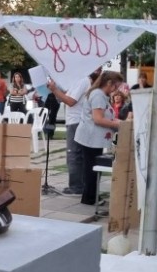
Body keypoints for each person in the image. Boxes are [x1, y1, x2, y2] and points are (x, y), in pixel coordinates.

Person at [74, 71, 124, 207]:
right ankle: (90, 197)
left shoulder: (99, 94)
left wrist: (115, 121)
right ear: (109, 83)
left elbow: (104, 115)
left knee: (91, 167)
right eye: (116, 86)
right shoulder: (98, 95)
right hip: (91, 138)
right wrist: (118, 124)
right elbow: (98, 119)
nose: (116, 90)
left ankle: (90, 195)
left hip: (93, 137)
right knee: (92, 168)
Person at [47, 67, 98, 195]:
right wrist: (56, 90)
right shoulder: (78, 80)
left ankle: (76, 187)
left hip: (76, 121)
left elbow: (70, 101)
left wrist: (55, 90)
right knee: (76, 155)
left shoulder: (81, 80)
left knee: (74, 154)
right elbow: (66, 96)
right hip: (74, 120)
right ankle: (78, 185)